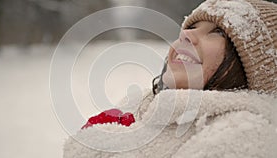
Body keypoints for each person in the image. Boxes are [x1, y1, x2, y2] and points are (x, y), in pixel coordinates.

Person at [64, 0, 277, 157]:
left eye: (218, 32)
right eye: (191, 27)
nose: (185, 35)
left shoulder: (242, 135)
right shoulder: (149, 107)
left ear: (259, 66)